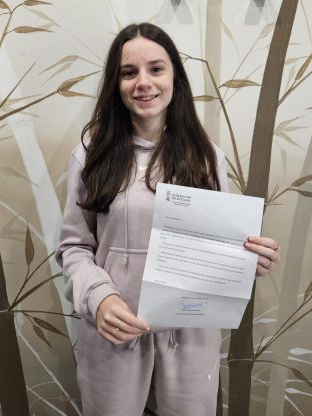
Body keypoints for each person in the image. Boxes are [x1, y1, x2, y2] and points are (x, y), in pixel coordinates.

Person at [56, 22, 280, 416]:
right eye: (129, 72)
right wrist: (99, 297)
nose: (143, 82)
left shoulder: (205, 156)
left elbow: (219, 245)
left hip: (189, 337)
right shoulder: (91, 154)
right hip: (115, 334)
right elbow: (74, 246)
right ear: (116, 83)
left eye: (156, 69)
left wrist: (248, 260)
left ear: (175, 75)